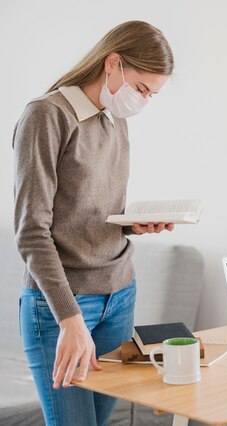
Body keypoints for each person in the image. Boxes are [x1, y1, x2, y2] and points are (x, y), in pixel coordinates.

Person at [13, 21, 175, 426]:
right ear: (113, 63)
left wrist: (133, 225)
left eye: (151, 95)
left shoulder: (113, 118)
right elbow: (32, 232)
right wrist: (70, 319)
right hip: (63, 305)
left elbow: (89, 213)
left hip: (120, 293)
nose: (142, 101)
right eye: (140, 89)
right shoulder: (46, 116)